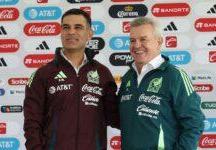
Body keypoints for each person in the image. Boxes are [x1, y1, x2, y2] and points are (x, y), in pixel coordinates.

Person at [23, 9, 119, 150]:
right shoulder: (43, 74)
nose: (71, 32)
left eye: (78, 27)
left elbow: (115, 117)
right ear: (61, 32)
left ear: (89, 34)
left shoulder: (103, 74)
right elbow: (32, 122)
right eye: (66, 27)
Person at [118, 17, 205, 150]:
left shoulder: (175, 76)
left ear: (158, 42)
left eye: (143, 39)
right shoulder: (128, 77)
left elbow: (194, 123)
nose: (136, 45)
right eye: (132, 40)